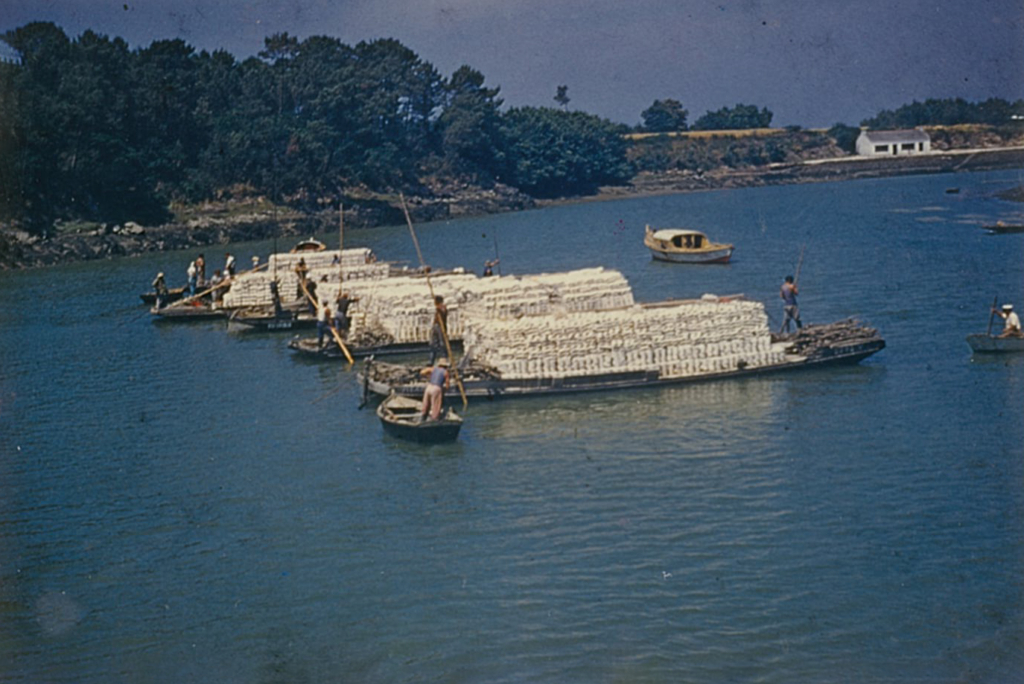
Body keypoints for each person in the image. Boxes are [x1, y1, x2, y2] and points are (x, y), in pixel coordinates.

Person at [429, 295, 449, 365]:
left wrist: (439, 309)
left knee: (442, 344)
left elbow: (443, 313)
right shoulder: (438, 308)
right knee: (433, 344)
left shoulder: (442, 308)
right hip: (435, 326)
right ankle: (431, 361)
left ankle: (444, 359)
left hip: (440, 327)